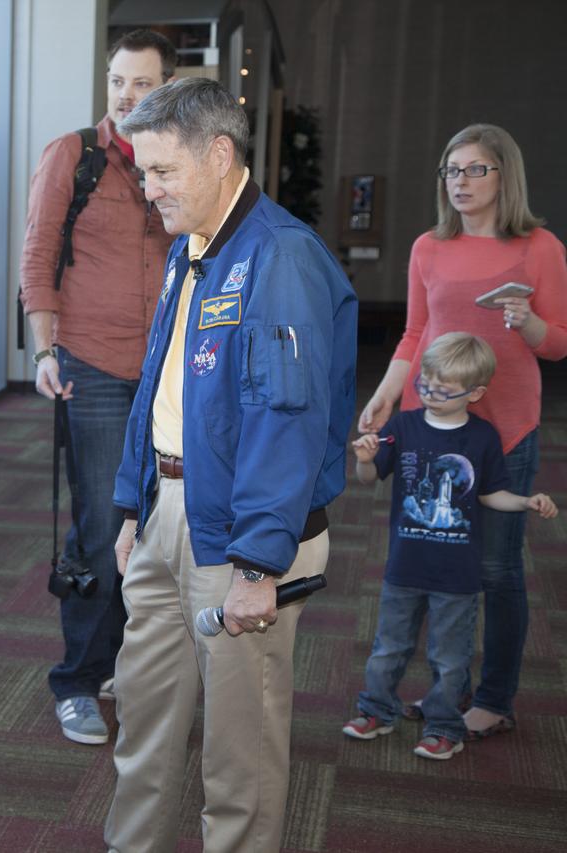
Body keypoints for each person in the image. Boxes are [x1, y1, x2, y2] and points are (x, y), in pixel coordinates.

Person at [107, 77, 358, 853]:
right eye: (142, 173)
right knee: (145, 720)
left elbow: (285, 424)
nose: (148, 192)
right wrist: (129, 503)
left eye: (161, 173)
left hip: (243, 535)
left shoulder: (280, 258)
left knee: (238, 752)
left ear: (220, 156)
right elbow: (160, 383)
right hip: (166, 514)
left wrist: (258, 561)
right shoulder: (194, 247)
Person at [359, 124, 567, 740]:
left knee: (495, 569)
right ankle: (453, 688)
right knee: (432, 558)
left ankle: (495, 696)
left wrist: (526, 321)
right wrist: (386, 394)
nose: (460, 182)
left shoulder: (540, 246)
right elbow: (416, 333)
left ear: (505, 175)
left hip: (505, 425)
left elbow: (556, 345)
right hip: (434, 426)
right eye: (452, 171)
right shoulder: (429, 246)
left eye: (475, 170)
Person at [18, 28, 177, 745]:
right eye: (118, 80)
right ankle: (77, 679)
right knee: (102, 528)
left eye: (142, 84)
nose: (126, 94)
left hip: (171, 372)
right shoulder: (74, 156)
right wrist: (44, 349)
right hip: (94, 366)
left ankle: (122, 663)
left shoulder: (177, 162)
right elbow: (39, 253)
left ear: (167, 89)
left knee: (160, 528)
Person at [343, 333, 557, 761]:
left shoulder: (482, 438)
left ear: (475, 392)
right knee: (388, 647)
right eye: (424, 384)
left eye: (443, 390)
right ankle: (377, 710)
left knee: (450, 657)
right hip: (404, 567)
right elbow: (369, 481)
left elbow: (490, 494)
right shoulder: (402, 426)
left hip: (457, 577)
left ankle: (444, 727)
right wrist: (365, 460)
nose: (430, 394)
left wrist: (525, 502)